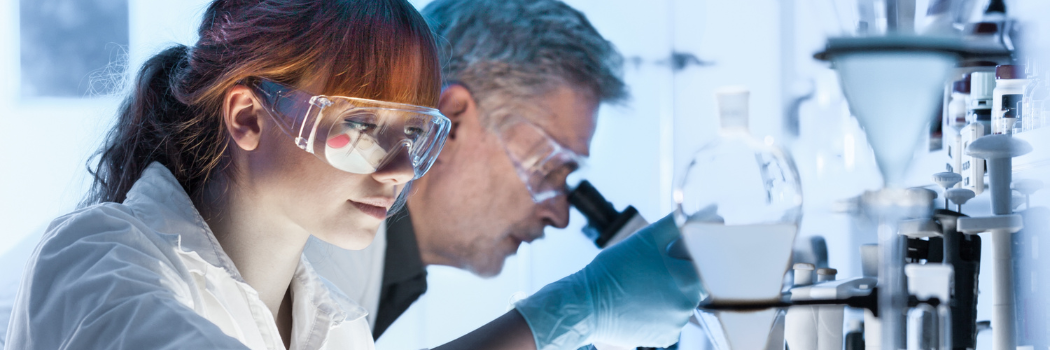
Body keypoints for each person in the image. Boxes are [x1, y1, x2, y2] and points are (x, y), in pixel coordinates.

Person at [4, 0, 701, 349]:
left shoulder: (330, 324)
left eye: (416, 135)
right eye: (364, 128)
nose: (401, 172)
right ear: (246, 118)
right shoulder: (93, 256)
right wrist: (564, 313)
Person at [302, 0, 699, 347]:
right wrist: (573, 313)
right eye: (549, 169)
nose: (559, 216)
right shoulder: (320, 241)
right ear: (452, 122)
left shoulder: (381, 270)